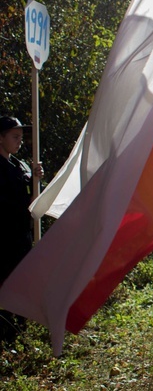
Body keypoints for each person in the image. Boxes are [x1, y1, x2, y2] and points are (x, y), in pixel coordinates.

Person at [0, 115, 43, 342]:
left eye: (21, 137)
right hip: (4, 237)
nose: (19, 141)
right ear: (1, 138)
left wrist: (36, 179)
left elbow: (33, 197)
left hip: (22, 236)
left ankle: (22, 331)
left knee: (23, 281)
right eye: (14, 137)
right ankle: (7, 335)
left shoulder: (21, 165)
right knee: (6, 283)